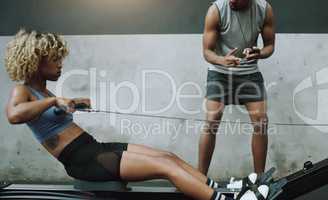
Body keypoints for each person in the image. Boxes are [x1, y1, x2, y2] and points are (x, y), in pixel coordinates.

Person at [4, 29, 269, 200]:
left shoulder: (43, 92)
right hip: (82, 160)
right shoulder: (23, 91)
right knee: (165, 168)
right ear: (37, 61)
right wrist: (54, 100)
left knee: (168, 156)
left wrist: (72, 103)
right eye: (55, 59)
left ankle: (226, 188)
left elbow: (49, 113)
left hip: (92, 148)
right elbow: (14, 115)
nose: (60, 64)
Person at [199, 0, 275, 176]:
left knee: (261, 121)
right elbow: (207, 51)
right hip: (219, 71)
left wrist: (260, 53)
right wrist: (221, 60)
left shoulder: (264, 10)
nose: (231, 0)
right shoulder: (216, 10)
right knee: (212, 120)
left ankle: (260, 180)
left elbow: (270, 45)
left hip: (249, 72)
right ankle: (199, 178)